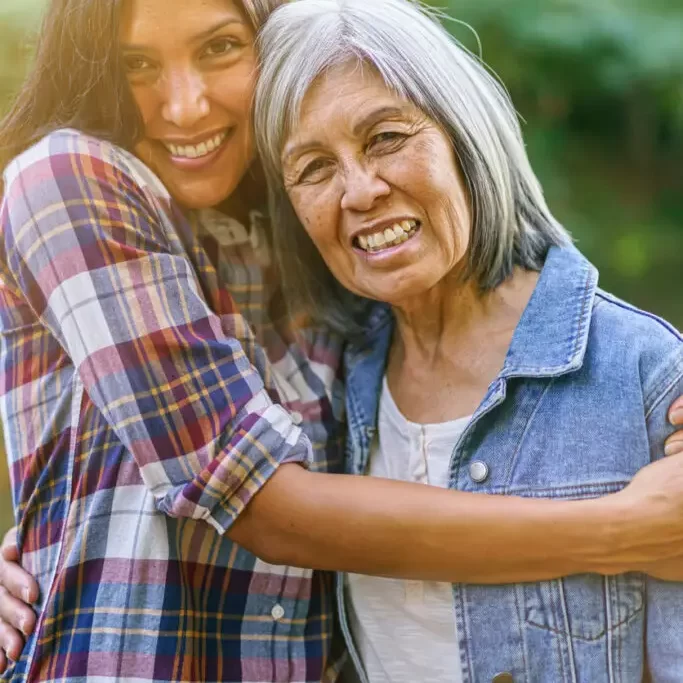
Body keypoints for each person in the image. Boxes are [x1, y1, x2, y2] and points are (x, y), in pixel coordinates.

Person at [1, 0, 683, 681]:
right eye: (136, 64)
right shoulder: (70, 180)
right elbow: (263, 503)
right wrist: (621, 528)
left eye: (219, 48)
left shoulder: (320, 281)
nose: (185, 105)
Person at [251, 0, 683, 680]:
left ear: (464, 136)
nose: (359, 190)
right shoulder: (319, 385)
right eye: (313, 167)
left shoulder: (642, 372)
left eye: (386, 137)